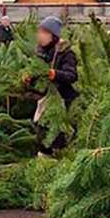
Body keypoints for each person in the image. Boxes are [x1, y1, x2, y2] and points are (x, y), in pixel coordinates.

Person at [26, 16, 78, 154]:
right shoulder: (41, 53)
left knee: (56, 135)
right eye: (39, 31)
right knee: (42, 130)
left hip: (62, 101)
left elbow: (72, 76)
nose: (40, 35)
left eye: (44, 32)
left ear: (53, 35)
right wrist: (29, 79)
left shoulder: (66, 53)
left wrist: (54, 74)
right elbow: (38, 77)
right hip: (46, 100)